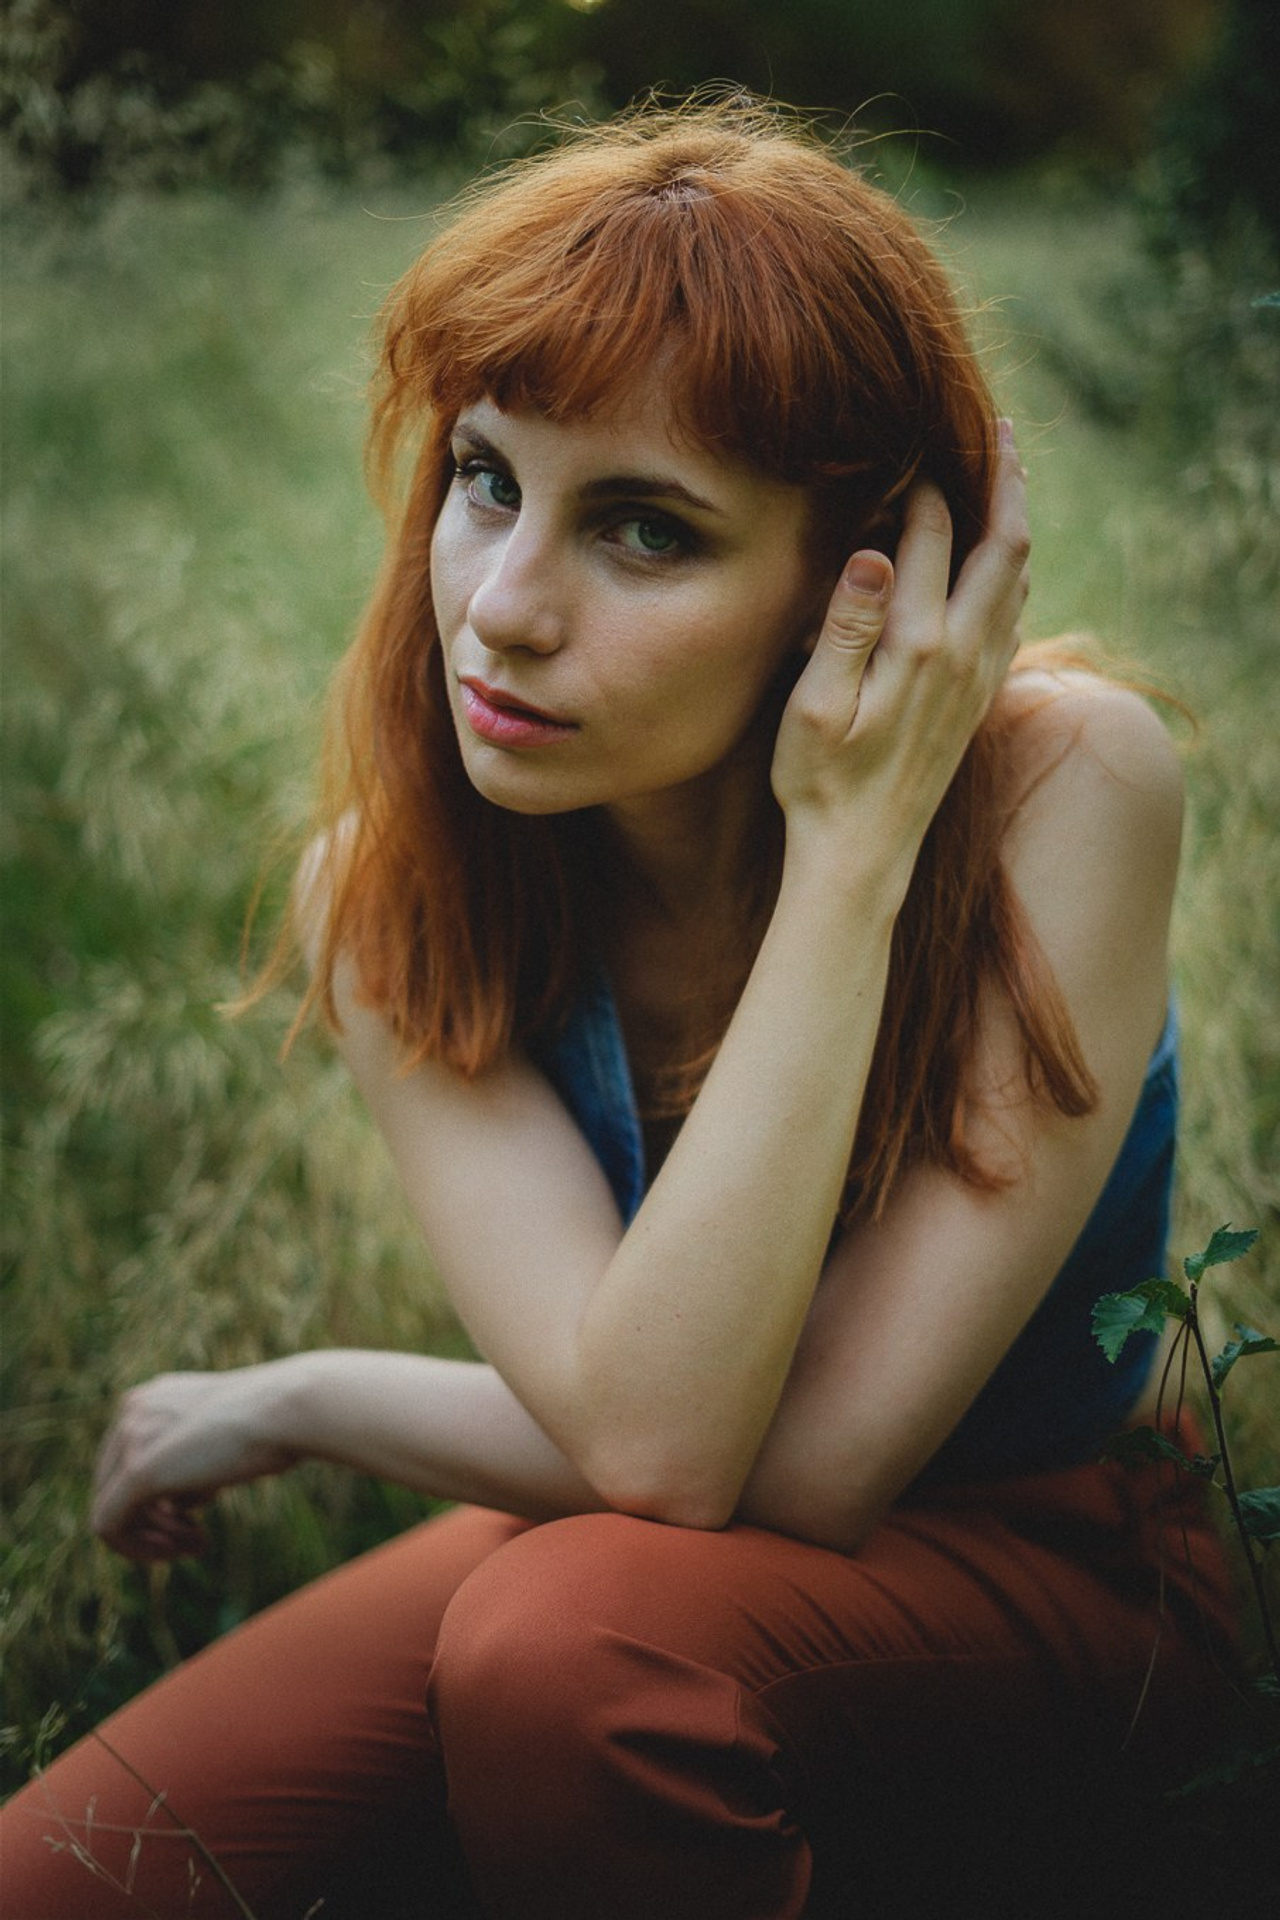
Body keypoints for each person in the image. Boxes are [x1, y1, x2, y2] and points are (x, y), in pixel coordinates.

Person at [4, 101, 1236, 1919]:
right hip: (636, 1544)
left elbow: (767, 1467)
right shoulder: (396, 887)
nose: (501, 608)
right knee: (65, 1875)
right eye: (488, 478)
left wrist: (850, 857)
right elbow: (645, 1440)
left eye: (646, 532)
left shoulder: (1069, 785)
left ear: (863, 584)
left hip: (1054, 1560)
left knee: (562, 1653)